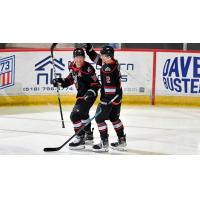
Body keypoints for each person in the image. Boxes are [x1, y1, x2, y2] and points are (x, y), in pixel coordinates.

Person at [52, 48, 100, 150]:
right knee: (83, 114)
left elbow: (96, 84)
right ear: (74, 58)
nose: (79, 60)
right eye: (77, 57)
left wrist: (91, 92)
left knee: (74, 116)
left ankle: (80, 138)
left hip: (89, 95)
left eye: (81, 57)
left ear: (84, 57)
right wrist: (60, 82)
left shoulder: (88, 69)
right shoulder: (72, 66)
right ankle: (89, 134)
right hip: (81, 94)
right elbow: (70, 79)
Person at [84, 44, 127, 152]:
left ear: (108, 57)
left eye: (102, 55)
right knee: (114, 118)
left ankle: (104, 144)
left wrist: (105, 102)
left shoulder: (106, 69)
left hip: (110, 98)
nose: (101, 56)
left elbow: (109, 89)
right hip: (117, 97)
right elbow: (98, 59)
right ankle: (122, 141)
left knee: (99, 119)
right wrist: (90, 51)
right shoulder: (113, 62)